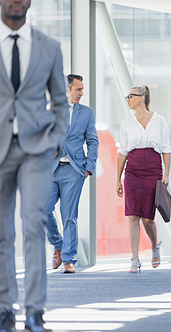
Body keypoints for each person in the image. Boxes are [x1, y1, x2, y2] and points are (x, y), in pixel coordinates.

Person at [0, 0, 68, 331]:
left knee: (34, 223)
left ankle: (34, 311)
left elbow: (60, 100)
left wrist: (55, 139)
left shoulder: (50, 47)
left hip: (37, 148)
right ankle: (3, 308)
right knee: (1, 232)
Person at [46, 74, 99, 274]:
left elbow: (93, 141)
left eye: (82, 89)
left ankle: (69, 259)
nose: (81, 93)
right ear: (67, 89)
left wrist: (88, 168)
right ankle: (58, 244)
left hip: (74, 170)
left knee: (69, 216)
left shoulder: (86, 112)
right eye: (78, 89)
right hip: (49, 169)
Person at [116, 85, 171, 273]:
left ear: (142, 98)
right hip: (132, 171)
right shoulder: (126, 124)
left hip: (153, 169)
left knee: (148, 218)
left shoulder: (159, 121)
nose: (127, 99)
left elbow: (166, 149)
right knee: (133, 216)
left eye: (130, 96)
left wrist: (166, 175)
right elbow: (122, 152)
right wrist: (118, 179)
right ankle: (135, 258)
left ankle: (155, 246)